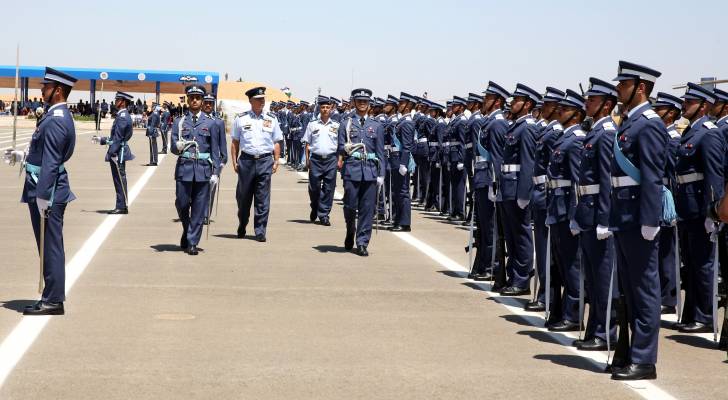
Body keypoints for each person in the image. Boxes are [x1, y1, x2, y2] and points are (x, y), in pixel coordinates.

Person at [608, 60, 666, 380]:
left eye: (622, 85)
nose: (618, 89)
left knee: (644, 289)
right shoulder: (630, 122)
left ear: (639, 87)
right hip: (623, 215)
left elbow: (653, 176)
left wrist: (650, 219)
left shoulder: (649, 124)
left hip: (638, 218)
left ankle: (644, 359)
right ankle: (627, 352)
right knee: (628, 289)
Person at [21, 67, 78, 315]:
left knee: (51, 245)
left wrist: (43, 196)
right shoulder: (54, 116)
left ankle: (53, 299)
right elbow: (43, 152)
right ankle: (50, 295)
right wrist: (24, 156)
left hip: (49, 192)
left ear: (58, 91)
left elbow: (52, 161)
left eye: (45, 87)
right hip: (44, 186)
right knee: (47, 244)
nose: (41, 90)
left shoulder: (56, 120)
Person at [571, 78, 618, 350]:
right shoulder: (594, 131)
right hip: (586, 212)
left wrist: (604, 220)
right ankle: (594, 329)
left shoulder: (607, 133)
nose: (586, 103)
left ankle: (605, 331)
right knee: (591, 277)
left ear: (606, 105)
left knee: (602, 278)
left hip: (597, 215)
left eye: (591, 100)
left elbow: (605, 181)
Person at [673, 83, 724, 333]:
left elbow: (714, 175)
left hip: (699, 208)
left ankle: (704, 315)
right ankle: (692, 312)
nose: (684, 105)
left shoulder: (709, 132)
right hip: (686, 205)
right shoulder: (691, 132)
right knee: (691, 262)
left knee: (703, 263)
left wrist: (712, 212)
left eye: (690, 102)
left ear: (703, 106)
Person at [497, 84, 540, 296]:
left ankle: (522, 279)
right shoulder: (516, 126)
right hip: (507, 186)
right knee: (512, 236)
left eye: (517, 100)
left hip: (516, 189)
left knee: (521, 235)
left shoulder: (528, 127)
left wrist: (524, 193)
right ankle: (514, 276)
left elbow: (528, 163)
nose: (512, 103)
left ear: (528, 104)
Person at [171, 85, 222, 255]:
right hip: (184, 168)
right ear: (187, 99)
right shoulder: (179, 122)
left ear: (202, 101)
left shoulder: (211, 123)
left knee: (199, 208)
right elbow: (172, 146)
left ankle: (192, 241)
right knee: (182, 203)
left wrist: (216, 172)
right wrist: (177, 147)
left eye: (197, 98)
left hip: (203, 170)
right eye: (191, 97)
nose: (194, 100)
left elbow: (215, 150)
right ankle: (187, 230)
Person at [338, 88, 386, 256]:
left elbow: (381, 152)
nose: (362, 103)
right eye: (359, 101)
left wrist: (381, 175)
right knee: (350, 205)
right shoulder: (346, 123)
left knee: (368, 208)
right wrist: (345, 148)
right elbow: (340, 148)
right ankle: (350, 229)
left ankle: (362, 242)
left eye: (365, 101)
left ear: (369, 104)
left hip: (371, 171)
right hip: (352, 169)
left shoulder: (377, 126)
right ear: (354, 103)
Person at [230, 87, 282, 242]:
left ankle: (260, 230)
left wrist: (276, 160)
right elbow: (235, 142)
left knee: (262, 198)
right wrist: (234, 161)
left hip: (265, 161)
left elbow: (276, 141)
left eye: (263, 99)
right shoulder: (241, 118)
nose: (262, 101)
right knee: (243, 197)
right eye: (258, 99)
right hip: (246, 161)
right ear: (250, 101)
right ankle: (242, 223)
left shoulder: (272, 118)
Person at [653, 92, 683, 315]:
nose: (656, 112)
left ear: (671, 113)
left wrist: (671, 204)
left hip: (665, 197)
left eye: (660, 109)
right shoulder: (661, 135)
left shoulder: (672, 139)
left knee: (667, 251)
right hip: (655, 194)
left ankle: (669, 296)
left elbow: (673, 173)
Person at [95, 91, 135, 214]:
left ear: (123, 102)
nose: (115, 102)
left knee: (119, 180)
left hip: (118, 153)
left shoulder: (122, 117)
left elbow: (117, 139)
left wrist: (112, 153)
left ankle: (121, 206)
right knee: (119, 179)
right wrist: (101, 140)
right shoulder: (122, 115)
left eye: (117, 100)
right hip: (119, 151)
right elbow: (115, 138)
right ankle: (122, 204)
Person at [303, 96, 340, 226]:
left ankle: (324, 214)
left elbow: (340, 145)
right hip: (316, 160)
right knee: (314, 188)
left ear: (331, 109)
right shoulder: (312, 124)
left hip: (330, 159)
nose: (325, 109)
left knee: (329, 188)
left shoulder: (336, 126)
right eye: (323, 107)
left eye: (327, 107)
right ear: (319, 108)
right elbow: (307, 144)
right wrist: (307, 160)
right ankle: (315, 207)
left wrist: (339, 160)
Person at [389, 92, 416, 232]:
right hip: (396, 159)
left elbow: (406, 146)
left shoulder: (407, 123)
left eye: (401, 103)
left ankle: (405, 223)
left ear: (408, 106)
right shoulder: (402, 121)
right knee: (397, 192)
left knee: (403, 192)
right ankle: (398, 220)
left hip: (400, 160)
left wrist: (403, 164)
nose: (398, 105)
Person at [202, 94, 228, 225]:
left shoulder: (218, 122)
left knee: (210, 189)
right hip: (198, 161)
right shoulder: (196, 120)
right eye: (206, 102)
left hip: (213, 161)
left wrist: (223, 161)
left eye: (210, 103)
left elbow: (222, 143)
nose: (208, 105)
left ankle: (206, 215)